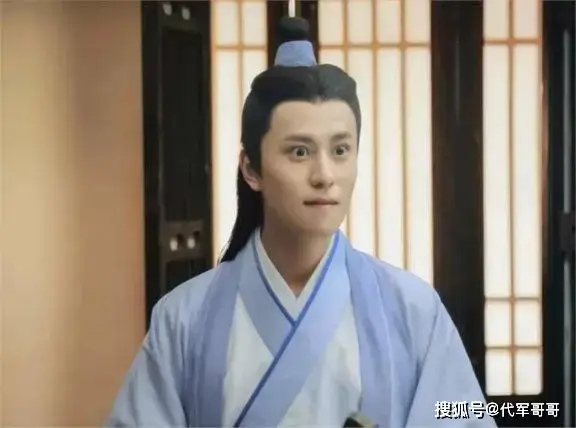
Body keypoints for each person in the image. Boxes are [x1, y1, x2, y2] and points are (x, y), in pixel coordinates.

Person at [106, 17, 496, 428]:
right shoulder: (184, 318)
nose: (324, 175)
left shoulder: (412, 310)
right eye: (299, 152)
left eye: (340, 150)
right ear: (251, 168)